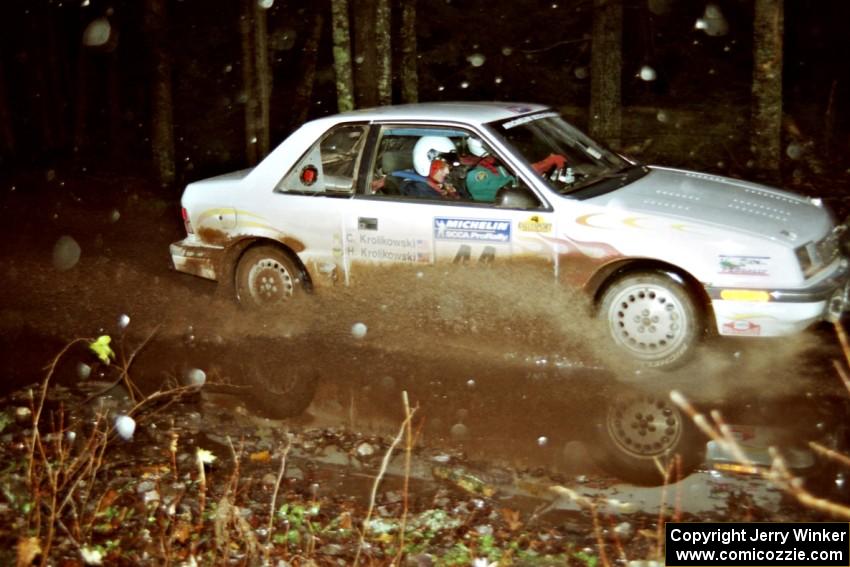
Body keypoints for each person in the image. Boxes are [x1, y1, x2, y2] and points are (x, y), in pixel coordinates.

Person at [463, 136, 567, 202]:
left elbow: (523, 170)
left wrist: (548, 162)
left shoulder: (497, 164)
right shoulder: (477, 174)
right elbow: (504, 194)